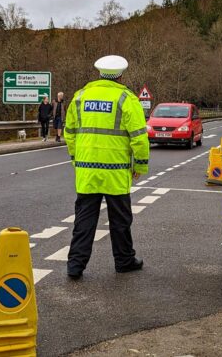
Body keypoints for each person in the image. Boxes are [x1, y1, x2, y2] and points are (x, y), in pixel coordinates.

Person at [64, 55, 149, 279]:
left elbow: (70, 133)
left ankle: (75, 266)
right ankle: (124, 261)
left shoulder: (80, 97)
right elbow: (139, 138)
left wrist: (76, 159)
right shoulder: (126, 98)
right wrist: (139, 164)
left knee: (84, 220)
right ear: (121, 75)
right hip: (116, 172)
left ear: (99, 73)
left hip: (87, 171)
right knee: (120, 220)